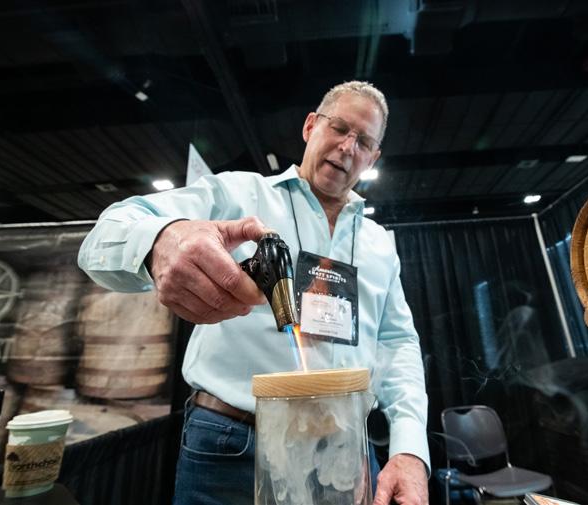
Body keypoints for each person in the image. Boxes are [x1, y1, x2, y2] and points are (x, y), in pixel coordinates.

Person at [78, 81, 429, 505]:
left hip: (345, 453)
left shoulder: (379, 243)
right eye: (339, 128)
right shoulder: (239, 194)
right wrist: (160, 241)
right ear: (310, 126)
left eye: (364, 142)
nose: (347, 147)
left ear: (373, 157)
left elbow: (398, 342)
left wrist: (410, 447)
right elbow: (104, 235)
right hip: (234, 446)